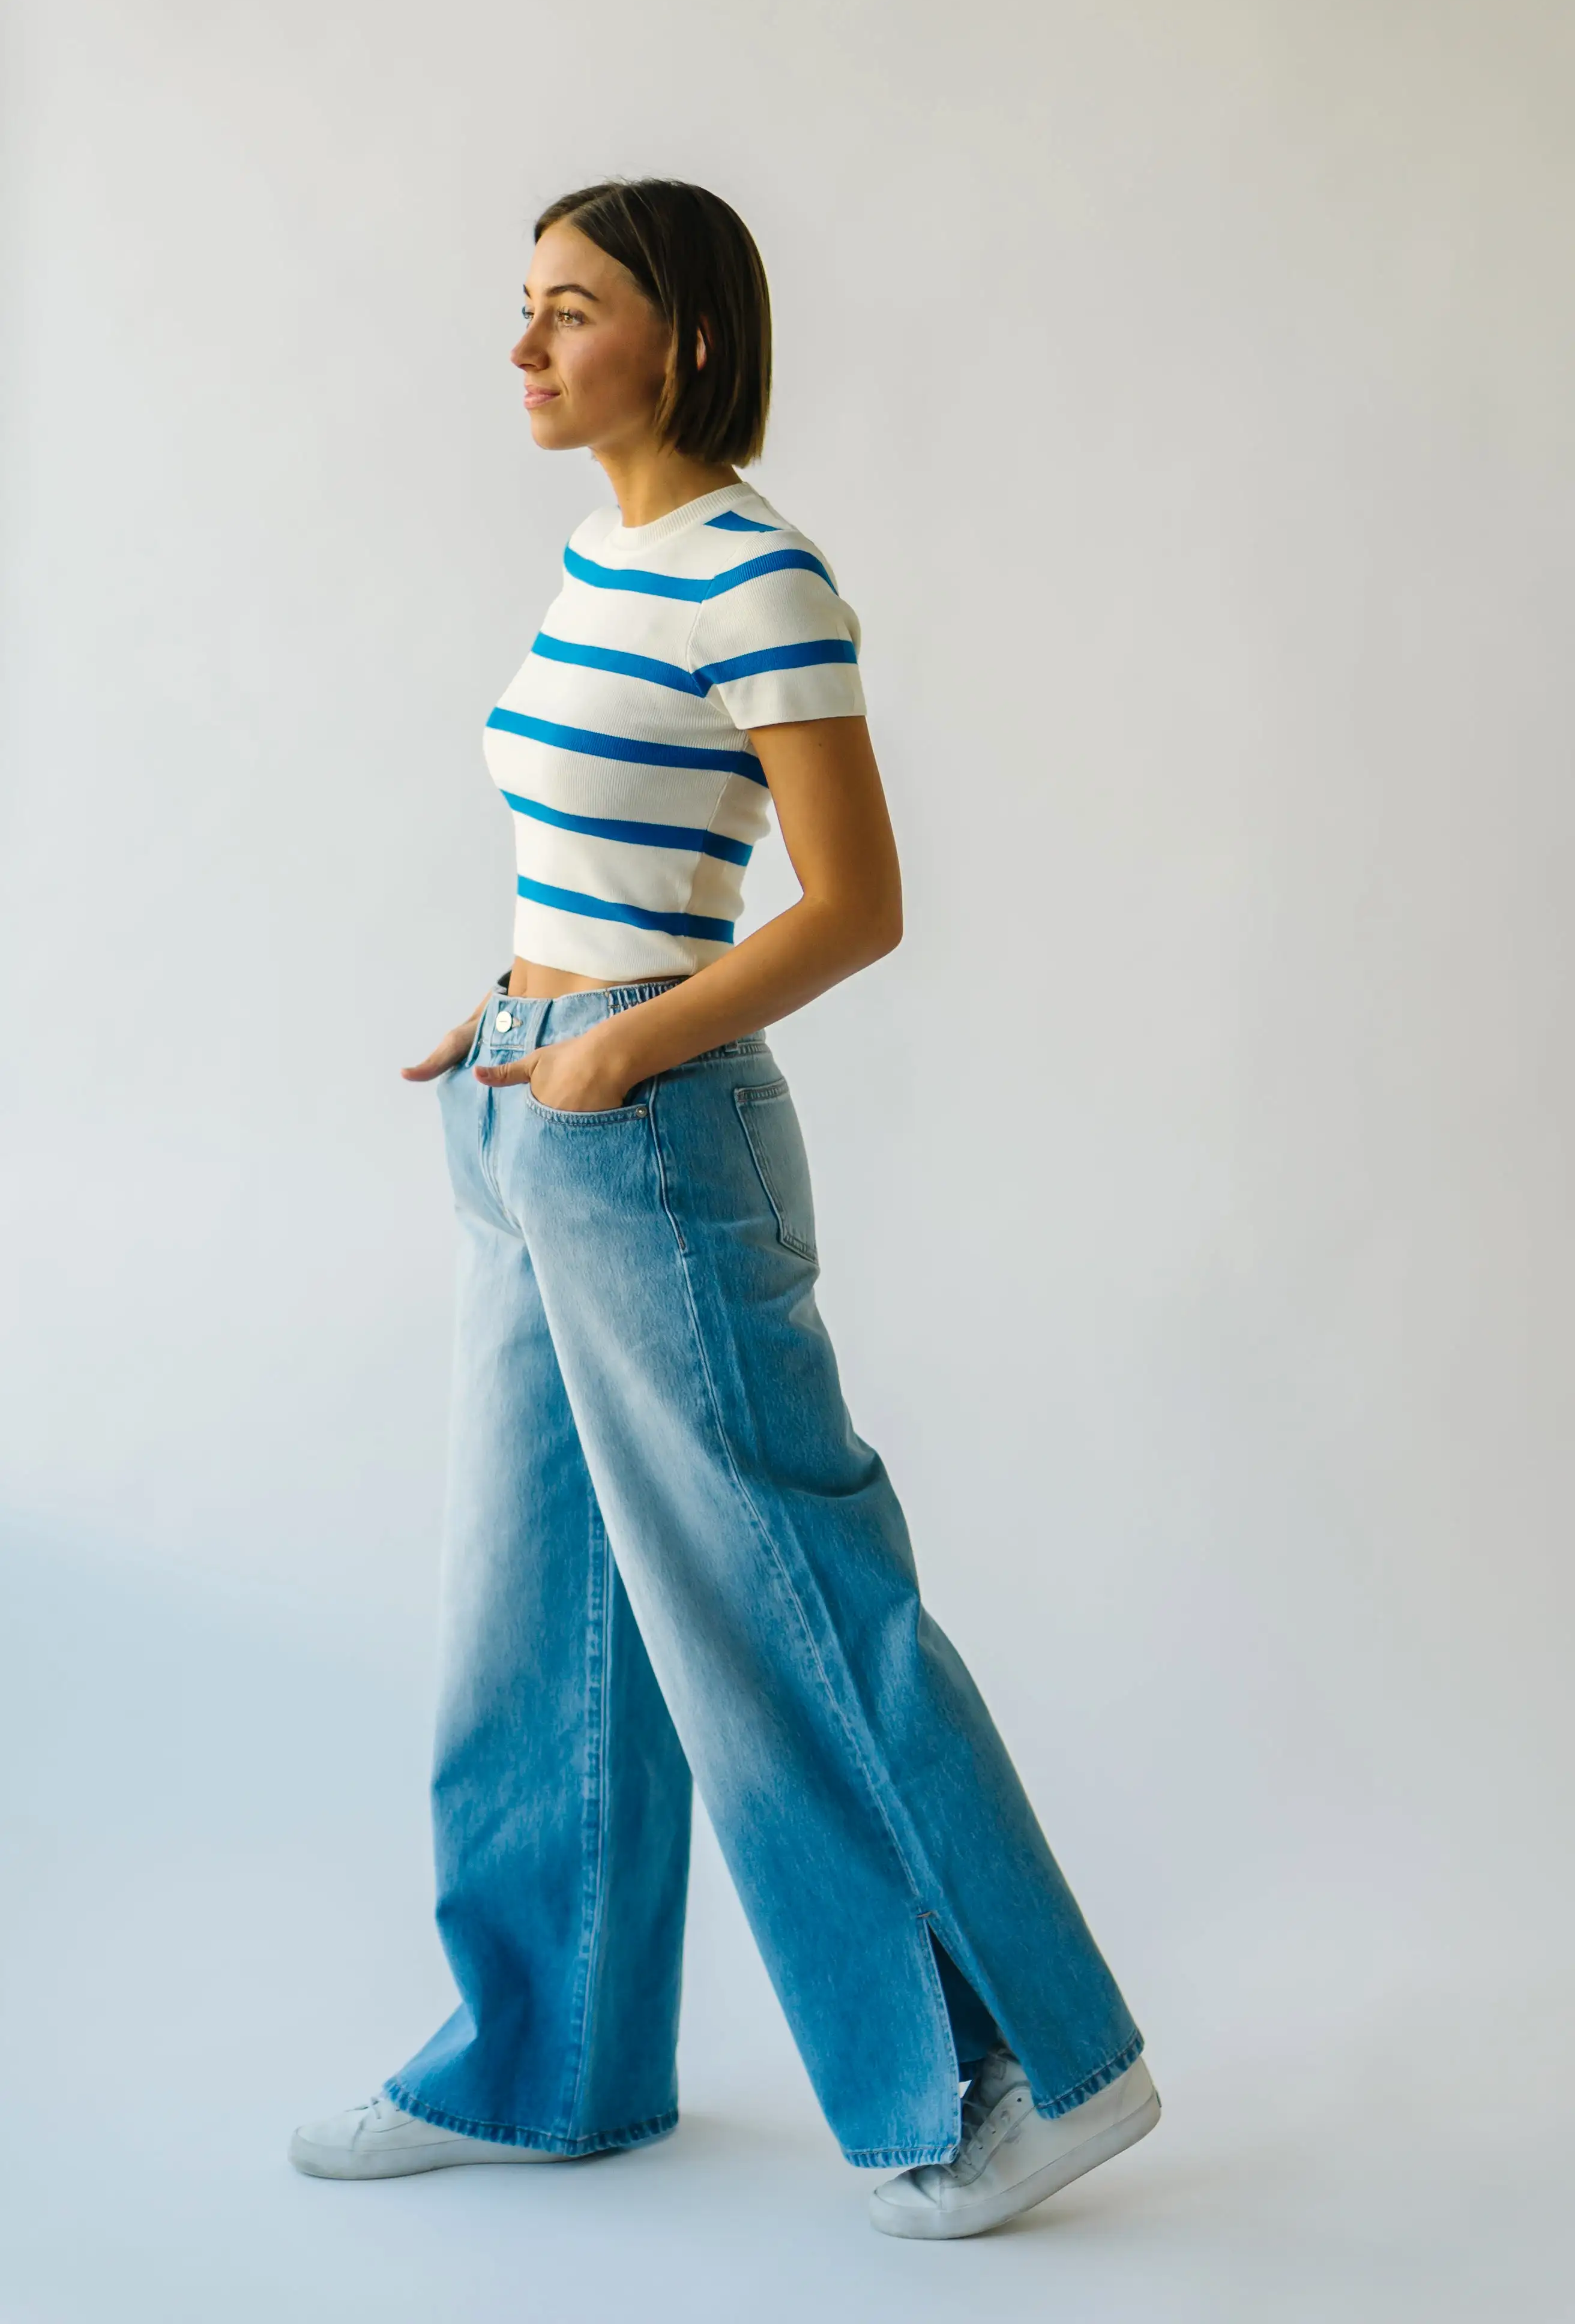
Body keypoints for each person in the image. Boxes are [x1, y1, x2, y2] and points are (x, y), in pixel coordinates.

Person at [289, 176, 1158, 2241]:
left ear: (680, 336)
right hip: (532, 1106)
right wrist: (511, 1016)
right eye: (520, 307)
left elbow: (854, 905)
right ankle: (541, 2067)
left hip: (648, 1133)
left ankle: (1022, 2070)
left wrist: (616, 1042)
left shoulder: (759, 573)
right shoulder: (608, 557)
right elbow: (610, 865)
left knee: (788, 1607)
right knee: (535, 1620)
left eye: (568, 311)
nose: (523, 348)